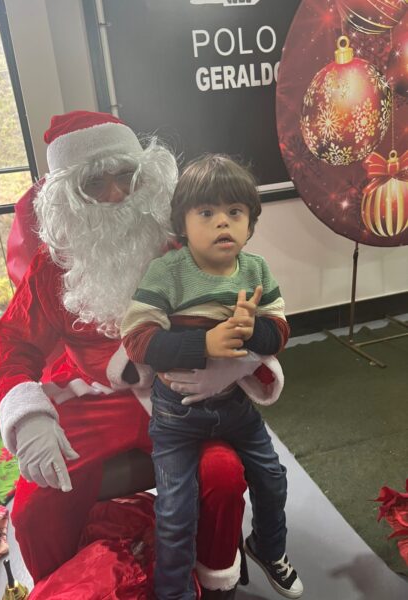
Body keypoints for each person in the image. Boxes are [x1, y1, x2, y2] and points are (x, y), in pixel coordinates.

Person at [0, 111, 267, 599]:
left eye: (126, 175)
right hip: (93, 398)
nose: (116, 194)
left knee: (223, 476)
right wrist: (28, 418)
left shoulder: (187, 244)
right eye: (94, 183)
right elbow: (15, 343)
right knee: (33, 509)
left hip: (182, 396)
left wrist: (227, 369)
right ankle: (67, 587)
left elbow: (249, 312)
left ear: (148, 176)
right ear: (69, 198)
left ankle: (213, 583)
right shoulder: (53, 267)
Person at [121, 154, 304, 600]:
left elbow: (279, 331)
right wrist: (204, 343)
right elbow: (137, 340)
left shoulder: (256, 270)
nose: (223, 222)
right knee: (175, 511)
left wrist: (252, 330)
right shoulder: (168, 272)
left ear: (250, 223)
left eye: (234, 212)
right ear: (182, 224)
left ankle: (268, 546)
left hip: (235, 408)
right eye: (206, 212)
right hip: (176, 418)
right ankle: (174, 591)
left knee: (273, 477)